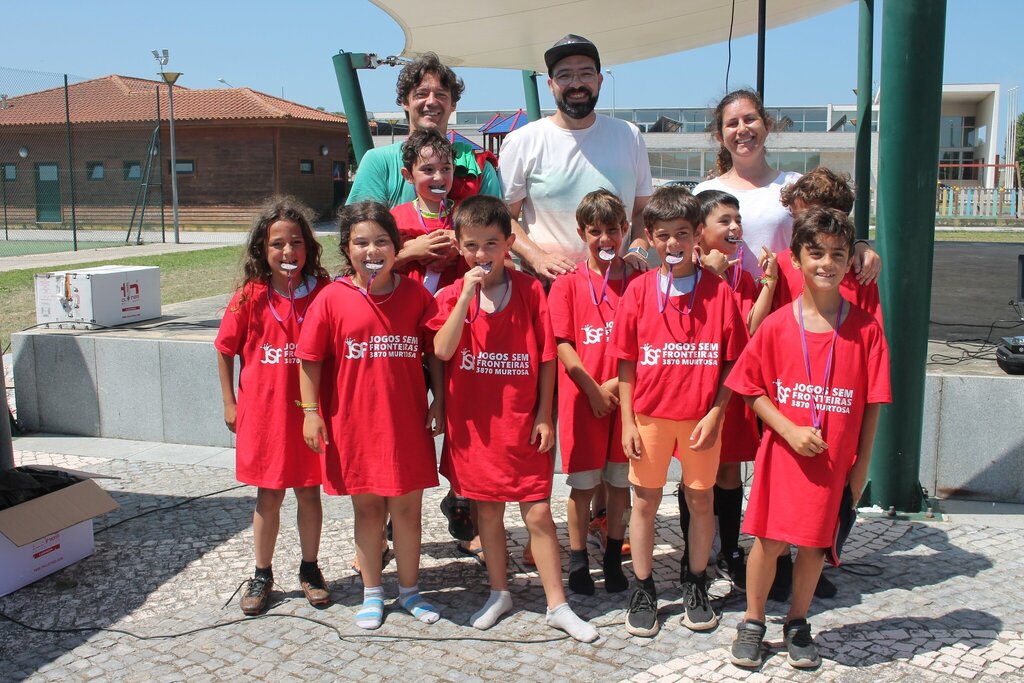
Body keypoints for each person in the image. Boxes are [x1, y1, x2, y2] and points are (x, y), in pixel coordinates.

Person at [725, 207, 890, 669]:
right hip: (783, 456)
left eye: (837, 254)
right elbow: (750, 389)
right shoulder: (778, 325)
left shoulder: (867, 331)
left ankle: (798, 621)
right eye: (815, 253)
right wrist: (788, 429)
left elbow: (873, 405)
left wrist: (861, 468)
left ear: (849, 261)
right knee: (769, 542)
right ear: (795, 259)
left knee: (815, 545)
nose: (826, 263)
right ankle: (753, 620)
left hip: (834, 463)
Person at [428, 195, 598, 643]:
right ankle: (499, 592)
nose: (481, 254)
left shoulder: (529, 291)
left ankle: (558, 604)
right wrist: (466, 295)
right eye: (471, 245)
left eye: (491, 243)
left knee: (538, 513)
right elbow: (441, 350)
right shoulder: (452, 295)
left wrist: (545, 415)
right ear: (459, 247)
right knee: (488, 513)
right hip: (475, 428)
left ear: (508, 245)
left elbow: (546, 358)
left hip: (522, 423)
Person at [297, 202, 443, 630]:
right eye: (361, 242)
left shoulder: (415, 295)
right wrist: (310, 413)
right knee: (368, 513)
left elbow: (435, 352)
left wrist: (440, 400)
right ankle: (373, 592)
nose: (372, 250)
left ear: (397, 248)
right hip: (355, 426)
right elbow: (309, 360)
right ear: (347, 249)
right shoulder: (331, 298)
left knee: (408, 513)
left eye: (382, 241)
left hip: (407, 425)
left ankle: (411, 591)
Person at [608, 186, 745, 637]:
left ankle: (696, 580)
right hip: (649, 417)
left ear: (698, 235)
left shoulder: (719, 292)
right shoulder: (639, 291)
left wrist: (717, 413)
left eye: (682, 233)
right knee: (645, 501)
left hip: (700, 419)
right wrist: (627, 421)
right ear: (650, 236)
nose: (673, 243)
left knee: (701, 500)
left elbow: (733, 361)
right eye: (663, 235)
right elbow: (626, 361)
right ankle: (643, 587)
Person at [215, 197, 332, 616]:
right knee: (269, 495)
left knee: (309, 491)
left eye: (296, 242)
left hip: (309, 415)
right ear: (262, 250)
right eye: (277, 244)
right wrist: (229, 402)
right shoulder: (250, 295)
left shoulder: (323, 291)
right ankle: (262, 573)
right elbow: (224, 348)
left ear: (308, 247)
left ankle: (310, 568)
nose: (288, 251)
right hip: (265, 415)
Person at [674, 189, 776, 594]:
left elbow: (749, 328)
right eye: (725, 221)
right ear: (699, 232)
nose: (735, 228)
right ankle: (692, 555)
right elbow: (689, 324)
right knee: (695, 473)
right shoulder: (687, 273)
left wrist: (768, 283)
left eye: (738, 220)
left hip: (732, 390)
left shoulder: (743, 276)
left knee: (730, 471)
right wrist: (712, 277)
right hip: (696, 386)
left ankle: (731, 550)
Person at [500, 34, 654, 280]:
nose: (576, 84)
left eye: (585, 73)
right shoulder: (522, 141)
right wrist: (537, 257)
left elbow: (643, 210)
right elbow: (504, 218)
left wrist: (637, 250)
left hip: (617, 282)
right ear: (550, 84)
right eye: (564, 75)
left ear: (599, 80)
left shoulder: (629, 135)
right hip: (549, 284)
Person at [548, 189, 638, 596]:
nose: (605, 239)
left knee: (619, 484)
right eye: (595, 231)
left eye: (613, 230)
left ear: (625, 229)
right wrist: (592, 389)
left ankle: (613, 556)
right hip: (582, 400)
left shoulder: (638, 282)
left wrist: (612, 388)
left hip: (626, 399)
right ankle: (578, 559)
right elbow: (563, 343)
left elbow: (645, 345)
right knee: (582, 486)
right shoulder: (567, 285)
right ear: (582, 232)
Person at [693, 89, 880, 284]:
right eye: (732, 123)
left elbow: (831, 231)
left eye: (750, 119)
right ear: (720, 136)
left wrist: (859, 246)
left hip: (791, 298)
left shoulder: (796, 185)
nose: (742, 129)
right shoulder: (703, 193)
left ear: (767, 126)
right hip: (727, 299)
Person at [346, 53, 500, 208]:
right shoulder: (378, 162)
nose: (431, 101)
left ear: (453, 105)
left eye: (441, 94)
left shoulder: (479, 169)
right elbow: (361, 221)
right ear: (405, 102)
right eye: (421, 94)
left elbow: (497, 221)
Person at [775, 167, 883, 327]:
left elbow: (872, 330)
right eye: (795, 216)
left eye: (810, 217)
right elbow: (771, 325)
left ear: (839, 217)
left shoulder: (861, 268)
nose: (801, 224)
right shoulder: (781, 263)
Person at [390, 129, 464, 294]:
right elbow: (374, 268)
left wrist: (463, 245)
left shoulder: (469, 215)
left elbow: (502, 263)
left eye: (446, 169)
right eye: (428, 170)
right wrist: (411, 253)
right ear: (408, 175)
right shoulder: (395, 218)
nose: (439, 177)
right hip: (409, 304)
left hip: (458, 305)